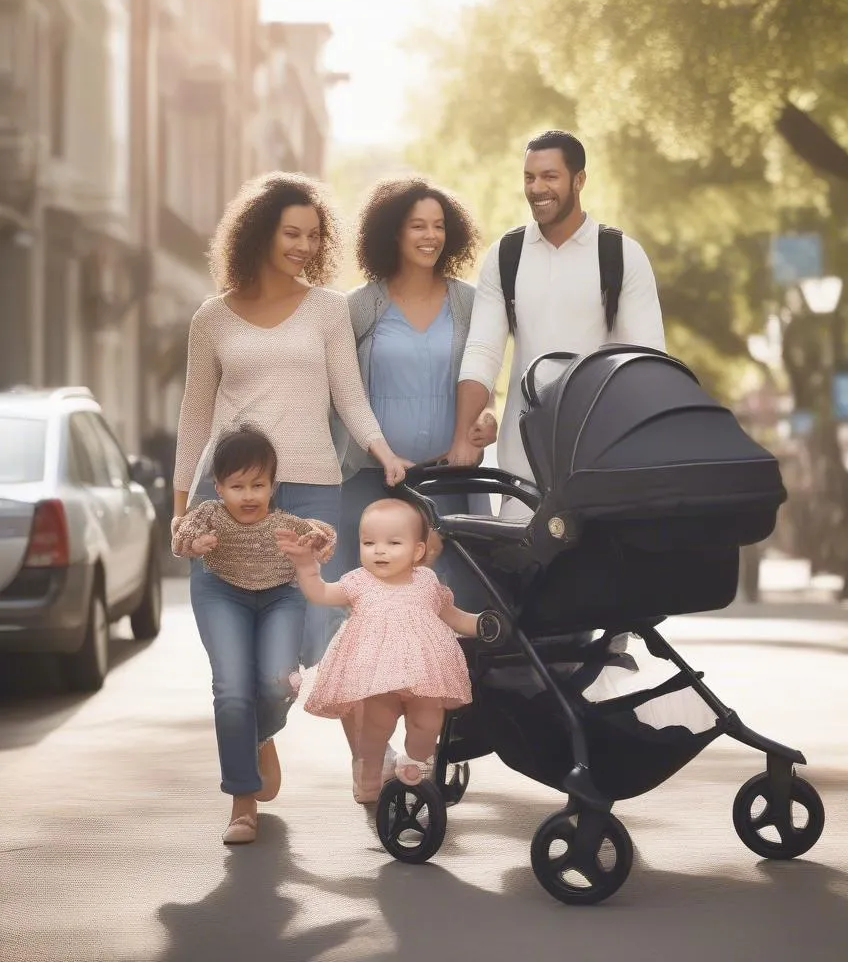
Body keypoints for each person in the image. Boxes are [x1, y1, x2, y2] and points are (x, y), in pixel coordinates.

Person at [172, 171, 409, 842]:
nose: (303, 246)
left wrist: (382, 449)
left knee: (295, 657)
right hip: (229, 499)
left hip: (308, 491)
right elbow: (194, 417)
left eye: (313, 235)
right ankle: (242, 790)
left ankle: (259, 726)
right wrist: (181, 503)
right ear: (259, 235)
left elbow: (349, 395)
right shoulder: (212, 318)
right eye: (290, 234)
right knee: (232, 673)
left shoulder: (329, 311)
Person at [445, 130, 666, 516]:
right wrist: (464, 434)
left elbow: (646, 361)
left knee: (595, 575)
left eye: (550, 176)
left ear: (579, 180)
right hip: (521, 464)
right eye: (529, 177)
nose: (537, 188)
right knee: (522, 572)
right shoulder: (506, 255)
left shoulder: (619, 254)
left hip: (600, 458)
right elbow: (483, 350)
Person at [335, 176, 497, 604]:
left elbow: (483, 380)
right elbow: (339, 389)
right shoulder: (361, 305)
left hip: (450, 481)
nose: (431, 236)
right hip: (372, 480)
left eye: (439, 225)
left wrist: (484, 420)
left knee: (453, 600)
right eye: (417, 225)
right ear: (393, 231)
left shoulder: (470, 302)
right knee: (367, 604)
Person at [171, 428, 336, 843]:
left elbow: (321, 537)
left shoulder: (285, 524)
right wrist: (194, 543)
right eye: (237, 486)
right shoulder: (208, 513)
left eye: (258, 485)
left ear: (273, 485)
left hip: (280, 596)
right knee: (231, 686)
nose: (248, 495)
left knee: (278, 680)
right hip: (222, 592)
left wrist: (315, 541)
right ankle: (243, 800)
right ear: (219, 486)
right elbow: (180, 536)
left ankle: (260, 733)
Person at [276, 498, 493, 809]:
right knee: (374, 730)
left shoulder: (427, 582)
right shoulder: (358, 582)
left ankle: (415, 764)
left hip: (424, 675)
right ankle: (370, 772)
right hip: (379, 678)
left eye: (393, 543)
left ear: (418, 551)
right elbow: (320, 592)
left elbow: (454, 616)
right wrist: (305, 565)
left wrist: (485, 624)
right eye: (369, 542)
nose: (379, 550)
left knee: (428, 722)